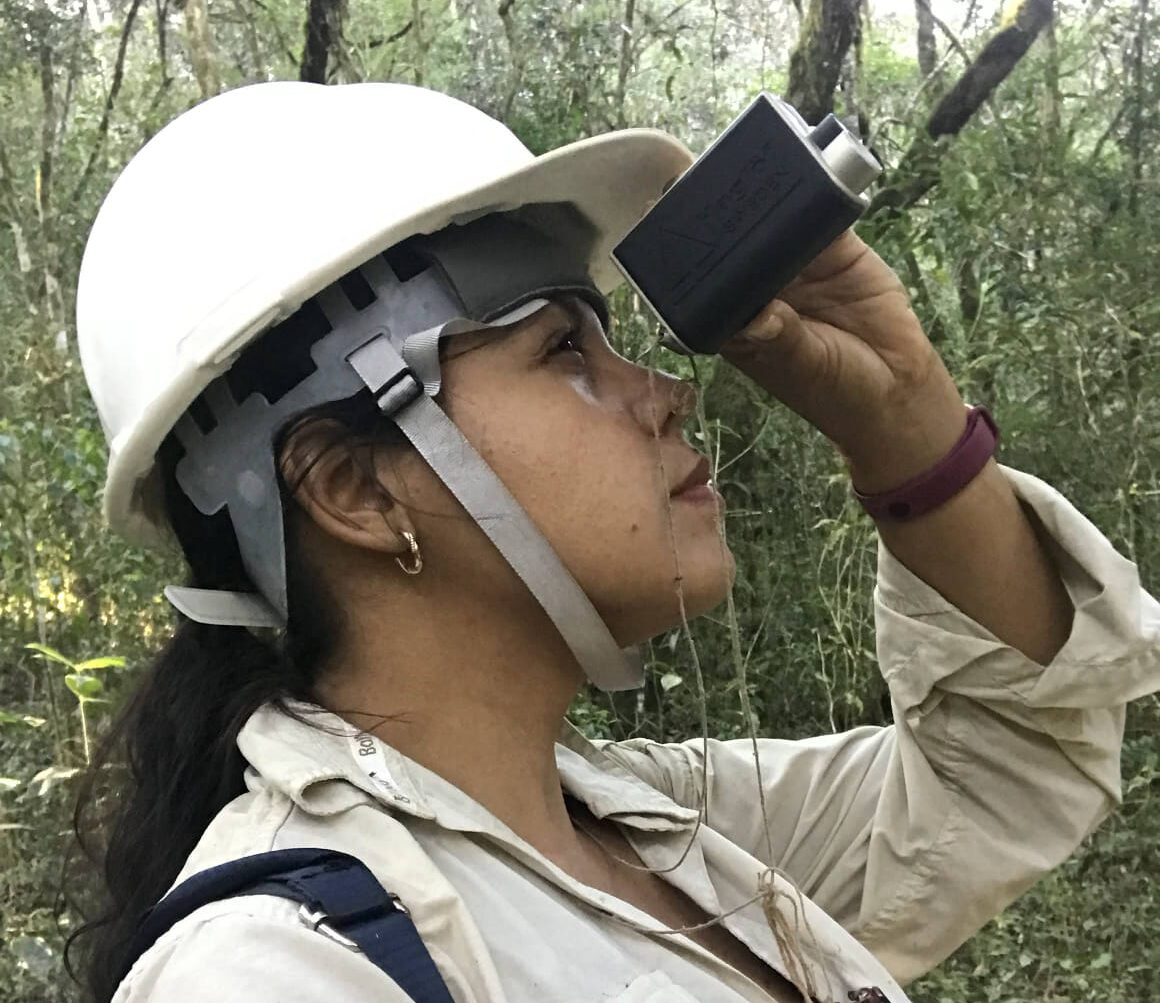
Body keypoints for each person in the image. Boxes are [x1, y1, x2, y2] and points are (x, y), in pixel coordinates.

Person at [68, 80, 1159, 1003]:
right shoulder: (280, 968)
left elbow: (1011, 753)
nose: (667, 391)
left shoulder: (659, 828)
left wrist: (905, 419)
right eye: (562, 353)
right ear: (355, 488)